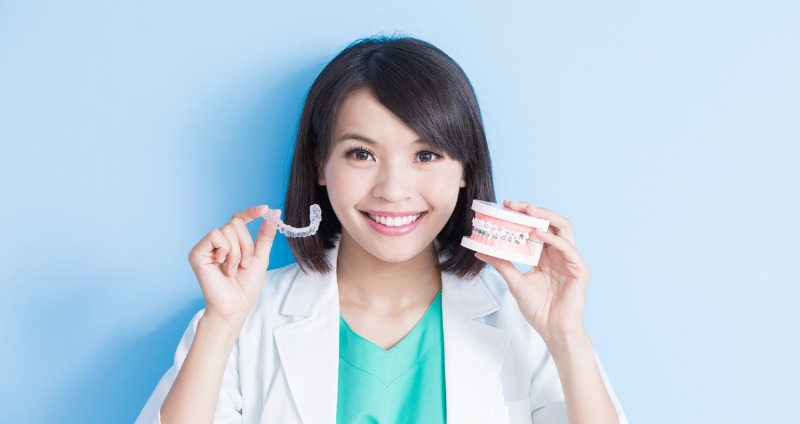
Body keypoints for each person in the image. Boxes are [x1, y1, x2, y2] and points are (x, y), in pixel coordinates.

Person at [136, 36, 628, 424]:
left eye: (427, 155)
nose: (394, 189)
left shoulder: (520, 320)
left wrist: (566, 336)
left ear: (464, 170)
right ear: (321, 164)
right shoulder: (246, 320)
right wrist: (221, 325)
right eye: (361, 154)